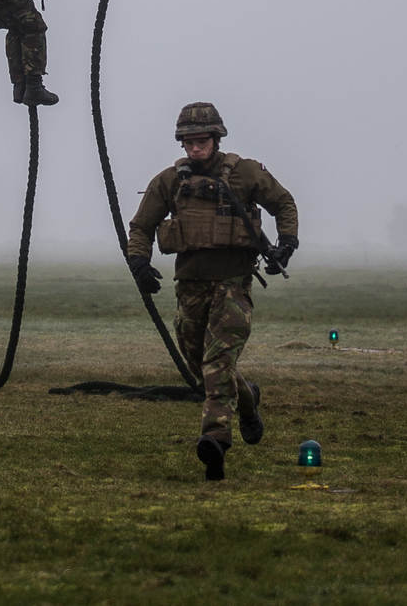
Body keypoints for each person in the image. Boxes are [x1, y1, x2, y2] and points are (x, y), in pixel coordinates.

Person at [127, 101, 298, 481]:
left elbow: (283, 203)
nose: (195, 148)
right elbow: (141, 227)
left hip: (233, 284)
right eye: (188, 142)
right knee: (199, 363)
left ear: (216, 138)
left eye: (201, 141)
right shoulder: (169, 182)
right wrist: (139, 262)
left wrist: (287, 242)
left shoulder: (245, 173)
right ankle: (248, 398)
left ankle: (215, 440)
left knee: (217, 363)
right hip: (189, 286)